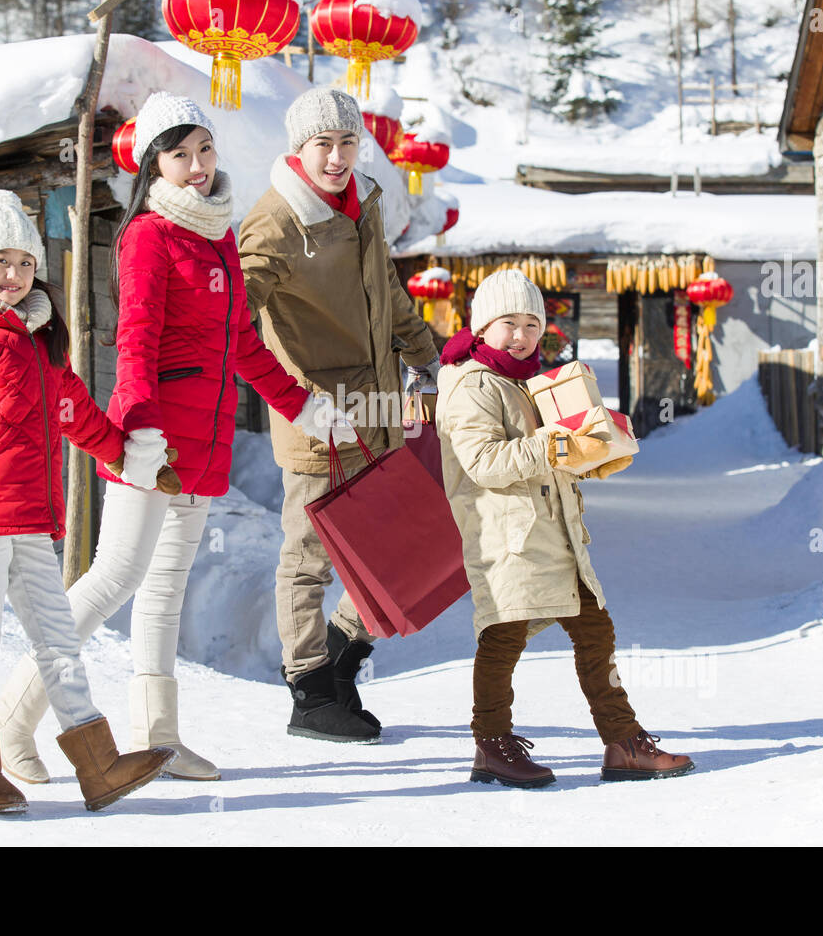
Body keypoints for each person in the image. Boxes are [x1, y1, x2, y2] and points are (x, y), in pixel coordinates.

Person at [0, 93, 352, 782]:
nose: (195, 166)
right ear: (154, 164)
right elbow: (135, 343)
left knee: (165, 591)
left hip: (205, 444)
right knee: (112, 579)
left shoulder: (219, 233)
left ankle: (159, 738)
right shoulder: (149, 236)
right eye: (179, 154)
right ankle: (12, 719)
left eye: (204, 151)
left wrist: (301, 406)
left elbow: (244, 344)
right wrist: (138, 430)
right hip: (151, 446)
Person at [0, 189, 176, 813]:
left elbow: (78, 413)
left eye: (26, 263)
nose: (15, 275)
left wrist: (129, 458)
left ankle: (98, 766)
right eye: (1, 261)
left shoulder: (41, 343)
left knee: (59, 640)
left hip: (32, 527)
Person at [435, 270, 695, 788]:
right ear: (482, 327)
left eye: (532, 323)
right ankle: (491, 744)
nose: (522, 334)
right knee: (503, 636)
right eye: (508, 322)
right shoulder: (470, 384)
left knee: (596, 630)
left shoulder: (528, 383)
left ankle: (623, 744)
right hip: (507, 539)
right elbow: (484, 463)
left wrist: (592, 455)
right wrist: (557, 445)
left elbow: (551, 455)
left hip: (557, 536)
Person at [239, 88, 441, 743]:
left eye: (346, 141)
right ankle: (308, 690)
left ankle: (343, 658)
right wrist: (297, 398)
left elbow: (385, 289)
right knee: (308, 558)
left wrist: (426, 355)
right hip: (319, 421)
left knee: (394, 547)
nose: (335, 155)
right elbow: (233, 321)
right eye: (322, 143)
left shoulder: (363, 201)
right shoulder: (274, 222)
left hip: (378, 407)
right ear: (296, 148)